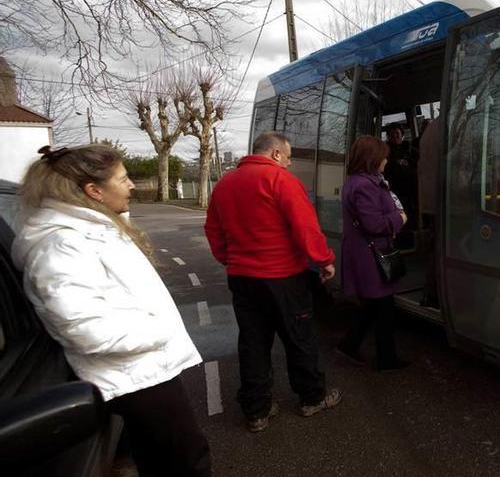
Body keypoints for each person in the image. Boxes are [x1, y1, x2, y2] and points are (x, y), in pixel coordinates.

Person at [11, 144, 210, 477]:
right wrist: (159, 331)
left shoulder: (88, 228)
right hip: (136, 375)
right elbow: (85, 328)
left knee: (159, 457)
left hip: (140, 370)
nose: (131, 185)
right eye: (123, 178)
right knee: (187, 461)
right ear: (93, 191)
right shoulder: (63, 244)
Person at [204, 131, 341, 432]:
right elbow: (305, 227)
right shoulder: (281, 181)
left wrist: (230, 259)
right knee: (299, 339)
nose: (290, 164)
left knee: (253, 342)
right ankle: (311, 398)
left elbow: (213, 230)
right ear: (276, 154)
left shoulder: (225, 184)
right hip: (284, 278)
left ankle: (256, 411)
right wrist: (324, 259)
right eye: (289, 157)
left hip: (242, 278)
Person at [336, 135, 410, 371]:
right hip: (371, 256)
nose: (386, 161)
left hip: (365, 253)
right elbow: (374, 224)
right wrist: (399, 218)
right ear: (372, 159)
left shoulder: (358, 181)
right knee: (384, 308)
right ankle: (386, 360)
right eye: (383, 157)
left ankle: (349, 345)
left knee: (372, 305)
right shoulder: (365, 185)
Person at [416, 119, 441, 307]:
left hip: (431, 202)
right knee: (439, 249)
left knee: (434, 248)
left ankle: (430, 293)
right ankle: (433, 294)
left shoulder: (430, 130)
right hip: (444, 202)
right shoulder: (445, 126)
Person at [382, 123, 418, 244]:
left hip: (411, 189)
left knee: (411, 215)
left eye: (397, 134)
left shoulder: (409, 148)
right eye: (392, 134)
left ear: (402, 135)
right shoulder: (385, 151)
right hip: (394, 190)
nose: (395, 137)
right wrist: (397, 163)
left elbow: (419, 161)